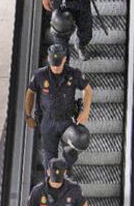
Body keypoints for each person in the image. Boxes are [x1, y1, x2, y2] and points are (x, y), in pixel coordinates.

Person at [25, 43, 92, 171]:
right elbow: (30, 92)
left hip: (66, 120)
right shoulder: (40, 75)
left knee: (74, 148)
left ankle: (66, 168)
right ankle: (53, 180)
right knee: (49, 159)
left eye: (58, 64)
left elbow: (87, 89)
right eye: (53, 64)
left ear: (65, 59)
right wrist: (28, 115)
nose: (55, 68)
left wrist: (86, 110)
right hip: (47, 121)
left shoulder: (73, 74)